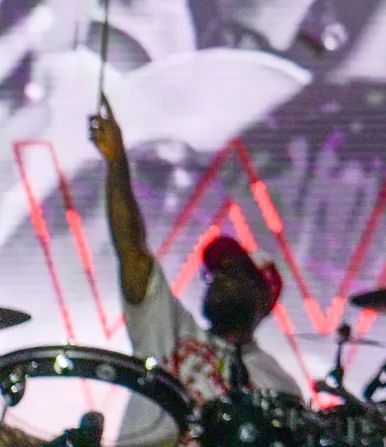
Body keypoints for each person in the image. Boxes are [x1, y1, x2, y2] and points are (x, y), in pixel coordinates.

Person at [87, 103, 302, 444]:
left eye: (236, 273)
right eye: (215, 273)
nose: (220, 278)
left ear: (263, 298)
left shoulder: (279, 385)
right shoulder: (169, 330)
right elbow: (133, 253)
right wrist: (117, 161)